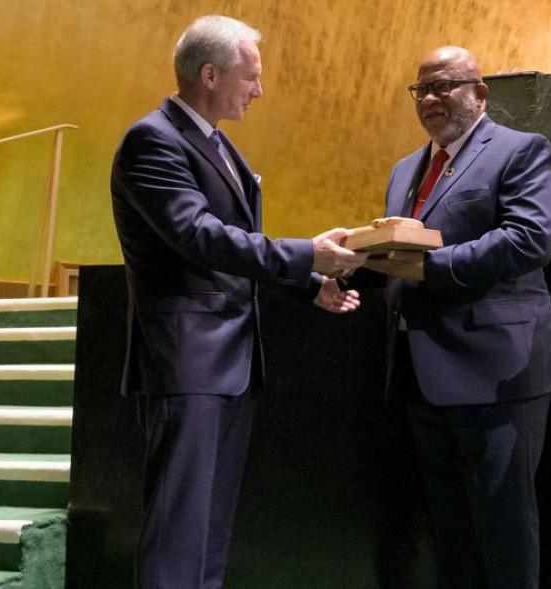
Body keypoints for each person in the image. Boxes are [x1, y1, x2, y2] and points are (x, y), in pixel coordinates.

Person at [109, 15, 367, 588]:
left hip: (228, 361)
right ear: (209, 74)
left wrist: (310, 286)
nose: (259, 89)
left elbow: (232, 251)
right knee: (179, 529)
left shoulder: (215, 143)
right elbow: (199, 236)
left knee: (210, 529)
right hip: (188, 359)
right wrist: (308, 256)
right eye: (251, 77)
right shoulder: (153, 139)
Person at [347, 45, 551, 589]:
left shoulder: (520, 150)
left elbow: (528, 240)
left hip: (498, 372)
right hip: (422, 375)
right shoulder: (404, 169)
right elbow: (398, 257)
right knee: (451, 532)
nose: (432, 99)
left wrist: (429, 267)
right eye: (422, 90)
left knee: (503, 526)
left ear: (480, 93)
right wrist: (334, 271)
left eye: (445, 86)